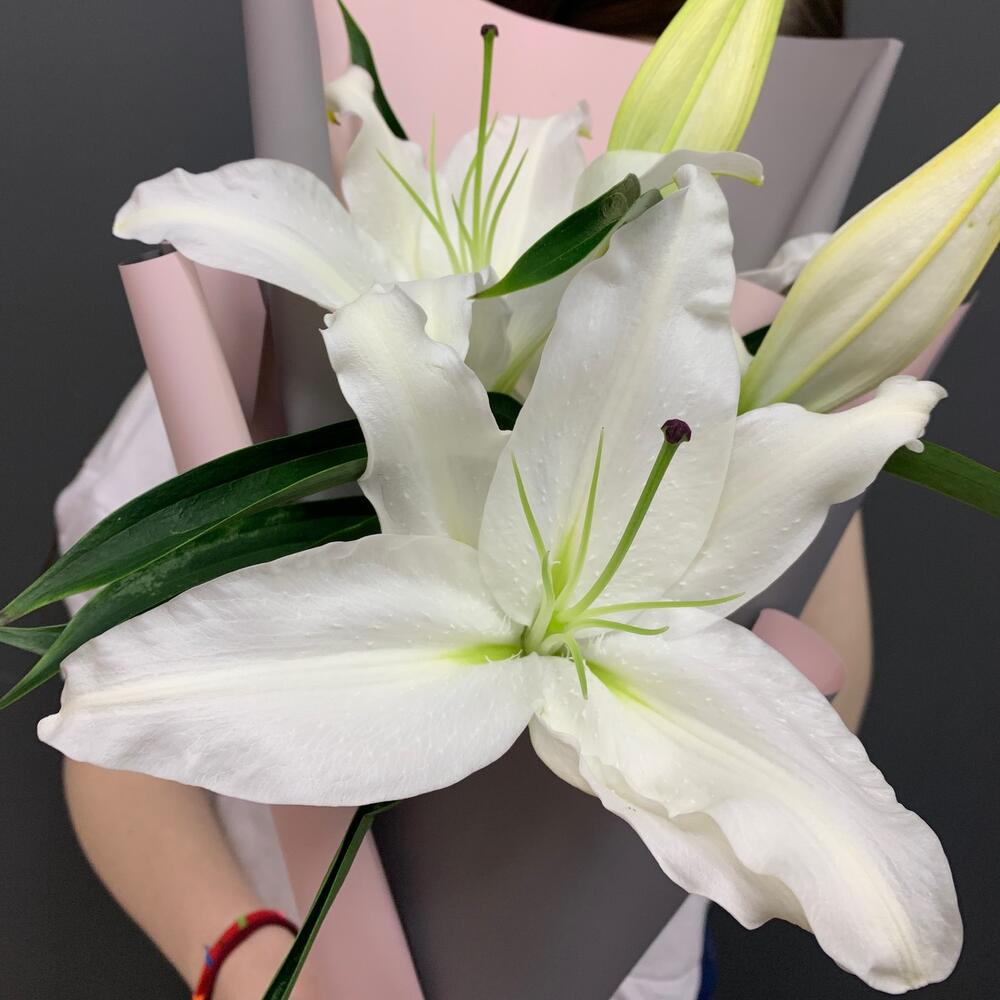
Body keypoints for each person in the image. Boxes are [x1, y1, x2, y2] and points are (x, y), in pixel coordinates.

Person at [58, 2, 868, 999]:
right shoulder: (277, 349)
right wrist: (256, 969)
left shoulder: (729, 398)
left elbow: (830, 678)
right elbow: (116, 723)